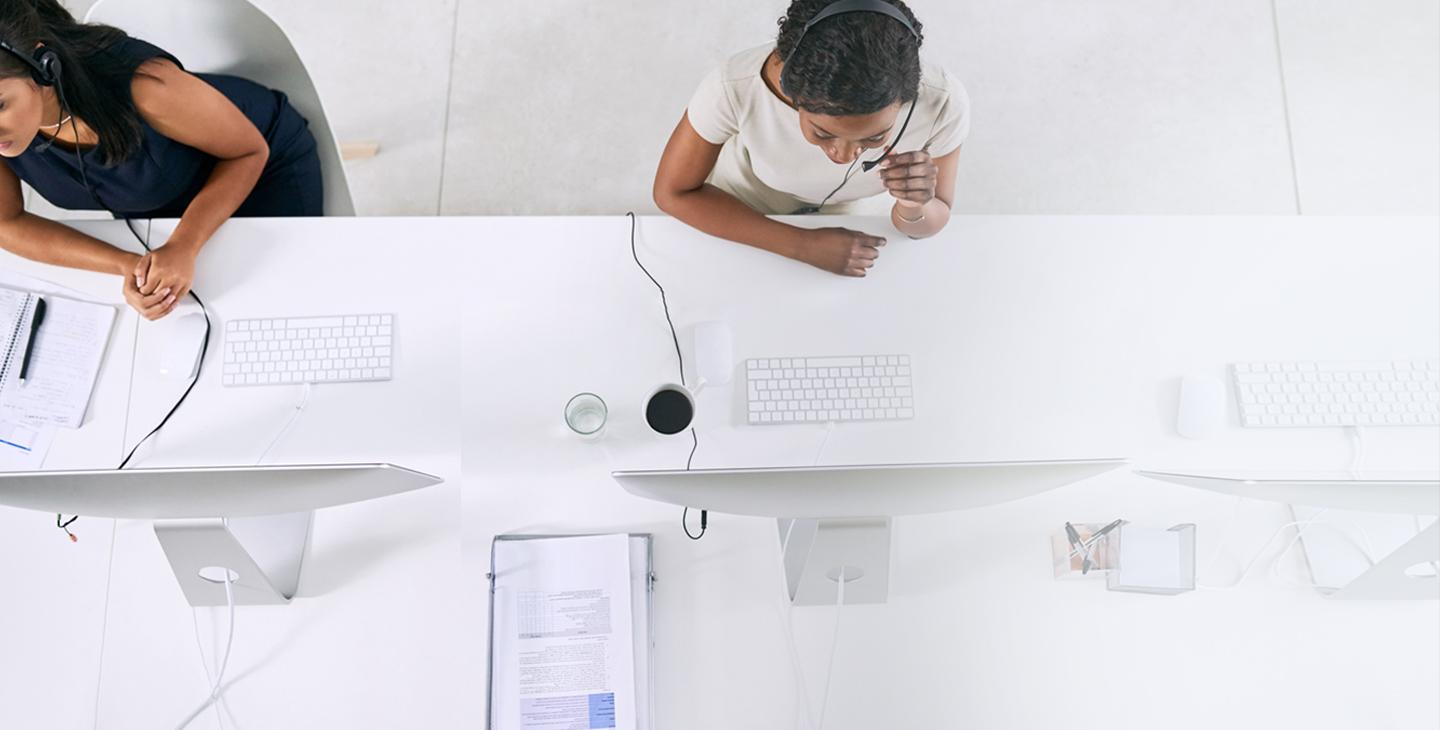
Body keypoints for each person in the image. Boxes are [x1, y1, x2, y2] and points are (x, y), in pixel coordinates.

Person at [0, 0, 322, 320]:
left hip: (257, 166)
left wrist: (184, 245)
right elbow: (6, 224)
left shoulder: (146, 88)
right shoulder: (9, 132)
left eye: (0, 105)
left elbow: (250, 151)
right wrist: (130, 265)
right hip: (158, 203)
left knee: (285, 302)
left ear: (41, 65)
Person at [654, 0, 969, 277]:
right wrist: (801, 245)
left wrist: (914, 203)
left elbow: (932, 220)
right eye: (822, 132)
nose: (844, 156)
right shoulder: (734, 85)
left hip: (849, 213)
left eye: (875, 137)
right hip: (740, 203)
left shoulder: (943, 103)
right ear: (791, 93)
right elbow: (674, 193)